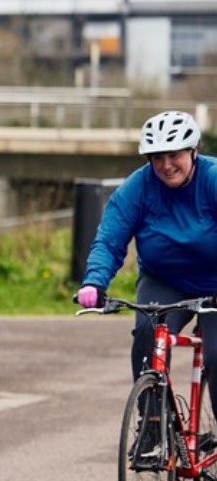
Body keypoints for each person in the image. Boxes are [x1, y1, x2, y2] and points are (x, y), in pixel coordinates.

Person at [76, 110, 217, 425]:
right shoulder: (138, 187)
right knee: (146, 334)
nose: (166, 165)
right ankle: (152, 425)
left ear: (194, 151)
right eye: (157, 158)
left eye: (174, 155)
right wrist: (94, 283)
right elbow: (110, 239)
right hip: (164, 279)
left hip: (215, 282)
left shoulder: (212, 179)